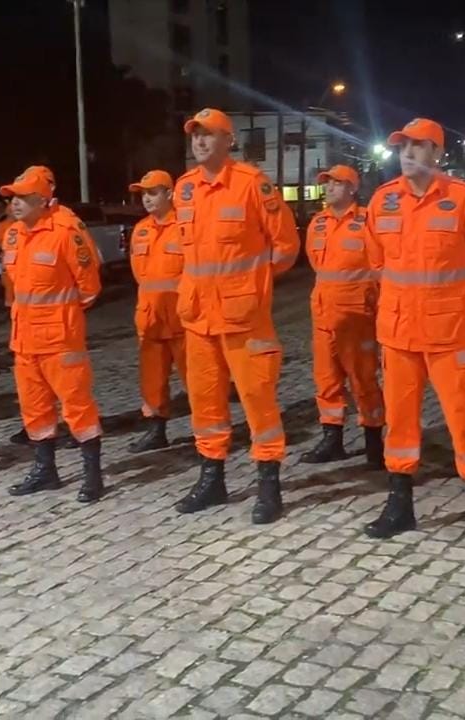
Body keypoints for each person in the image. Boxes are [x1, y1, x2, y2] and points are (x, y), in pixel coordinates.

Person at [360, 117, 465, 552]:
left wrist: (455, 302)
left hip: (450, 335)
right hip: (397, 333)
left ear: (437, 153)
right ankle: (399, 506)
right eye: (402, 146)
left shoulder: (463, 200)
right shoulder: (383, 201)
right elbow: (375, 263)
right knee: (400, 423)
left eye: (417, 146)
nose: (406, 153)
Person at [170, 108, 300, 524]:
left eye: (209, 135)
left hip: (244, 318)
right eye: (195, 136)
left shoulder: (251, 185)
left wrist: (251, 285)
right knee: (204, 403)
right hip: (197, 318)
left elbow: (285, 248)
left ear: (229, 141)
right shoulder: (184, 189)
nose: (200, 142)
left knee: (258, 400)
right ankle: (213, 480)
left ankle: (268, 485)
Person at [0, 166, 105, 503]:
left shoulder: (66, 230)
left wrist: (62, 317)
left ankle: (92, 476)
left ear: (45, 200)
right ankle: (46, 471)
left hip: (60, 339)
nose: (16, 204)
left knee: (78, 407)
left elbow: (89, 288)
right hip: (24, 340)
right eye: (13, 198)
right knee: (35, 409)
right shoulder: (13, 234)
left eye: (24, 198)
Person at [299, 164, 385, 467]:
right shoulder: (318, 224)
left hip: (357, 315)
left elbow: (379, 267)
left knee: (363, 380)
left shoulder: (367, 222)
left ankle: (374, 442)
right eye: (327, 183)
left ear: (352, 188)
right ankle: (331, 439)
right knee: (326, 380)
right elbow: (314, 263)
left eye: (336, 183)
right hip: (323, 313)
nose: (329, 188)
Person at [126, 170, 188, 452]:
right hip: (150, 318)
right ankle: (156, 430)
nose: (147, 199)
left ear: (169, 194)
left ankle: (208, 432)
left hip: (183, 318)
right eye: (143, 194)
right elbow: (139, 274)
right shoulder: (140, 229)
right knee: (152, 379)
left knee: (197, 379)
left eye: (152, 193)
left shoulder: (187, 227)